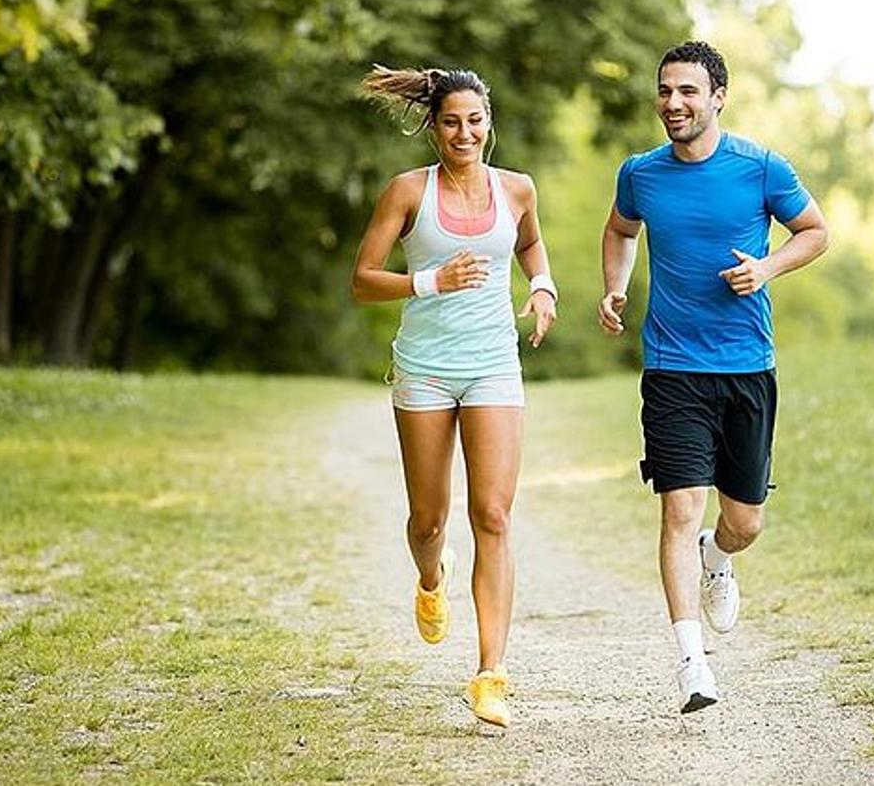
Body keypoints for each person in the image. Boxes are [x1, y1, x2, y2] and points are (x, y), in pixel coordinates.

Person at [598, 41, 829, 713]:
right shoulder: (641, 173)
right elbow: (620, 231)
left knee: (745, 522)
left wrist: (767, 269)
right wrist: (615, 287)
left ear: (718, 97)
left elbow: (815, 231)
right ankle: (692, 664)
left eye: (688, 92)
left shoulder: (759, 168)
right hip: (672, 369)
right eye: (665, 91)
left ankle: (718, 558)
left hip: (746, 367)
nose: (673, 103)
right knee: (678, 507)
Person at [351, 65, 558, 728]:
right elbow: (362, 280)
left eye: (475, 120)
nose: (464, 132)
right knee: (428, 522)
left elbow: (528, 243)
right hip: (426, 369)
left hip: (494, 364)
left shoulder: (517, 189)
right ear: (434, 127)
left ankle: (491, 673)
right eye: (451, 121)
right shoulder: (408, 191)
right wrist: (430, 280)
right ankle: (431, 578)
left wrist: (544, 286)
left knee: (493, 515)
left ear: (488, 122)